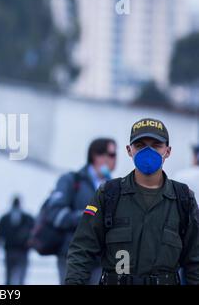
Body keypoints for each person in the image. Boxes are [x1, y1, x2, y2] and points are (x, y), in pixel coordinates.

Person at [66, 118, 199, 285]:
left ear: (168, 151)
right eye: (140, 145)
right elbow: (82, 250)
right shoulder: (108, 194)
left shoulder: (183, 199)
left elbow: (195, 261)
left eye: (156, 145)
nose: (148, 151)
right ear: (129, 150)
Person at [45, 138, 117, 284]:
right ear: (96, 156)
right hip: (73, 258)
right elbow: (55, 215)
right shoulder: (72, 180)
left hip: (100, 260)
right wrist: (89, 216)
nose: (115, 159)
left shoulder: (112, 186)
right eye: (111, 154)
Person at [0, 196, 34, 285]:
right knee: (10, 277)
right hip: (11, 251)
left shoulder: (27, 218)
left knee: (18, 278)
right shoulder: (6, 218)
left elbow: (34, 234)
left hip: (21, 251)